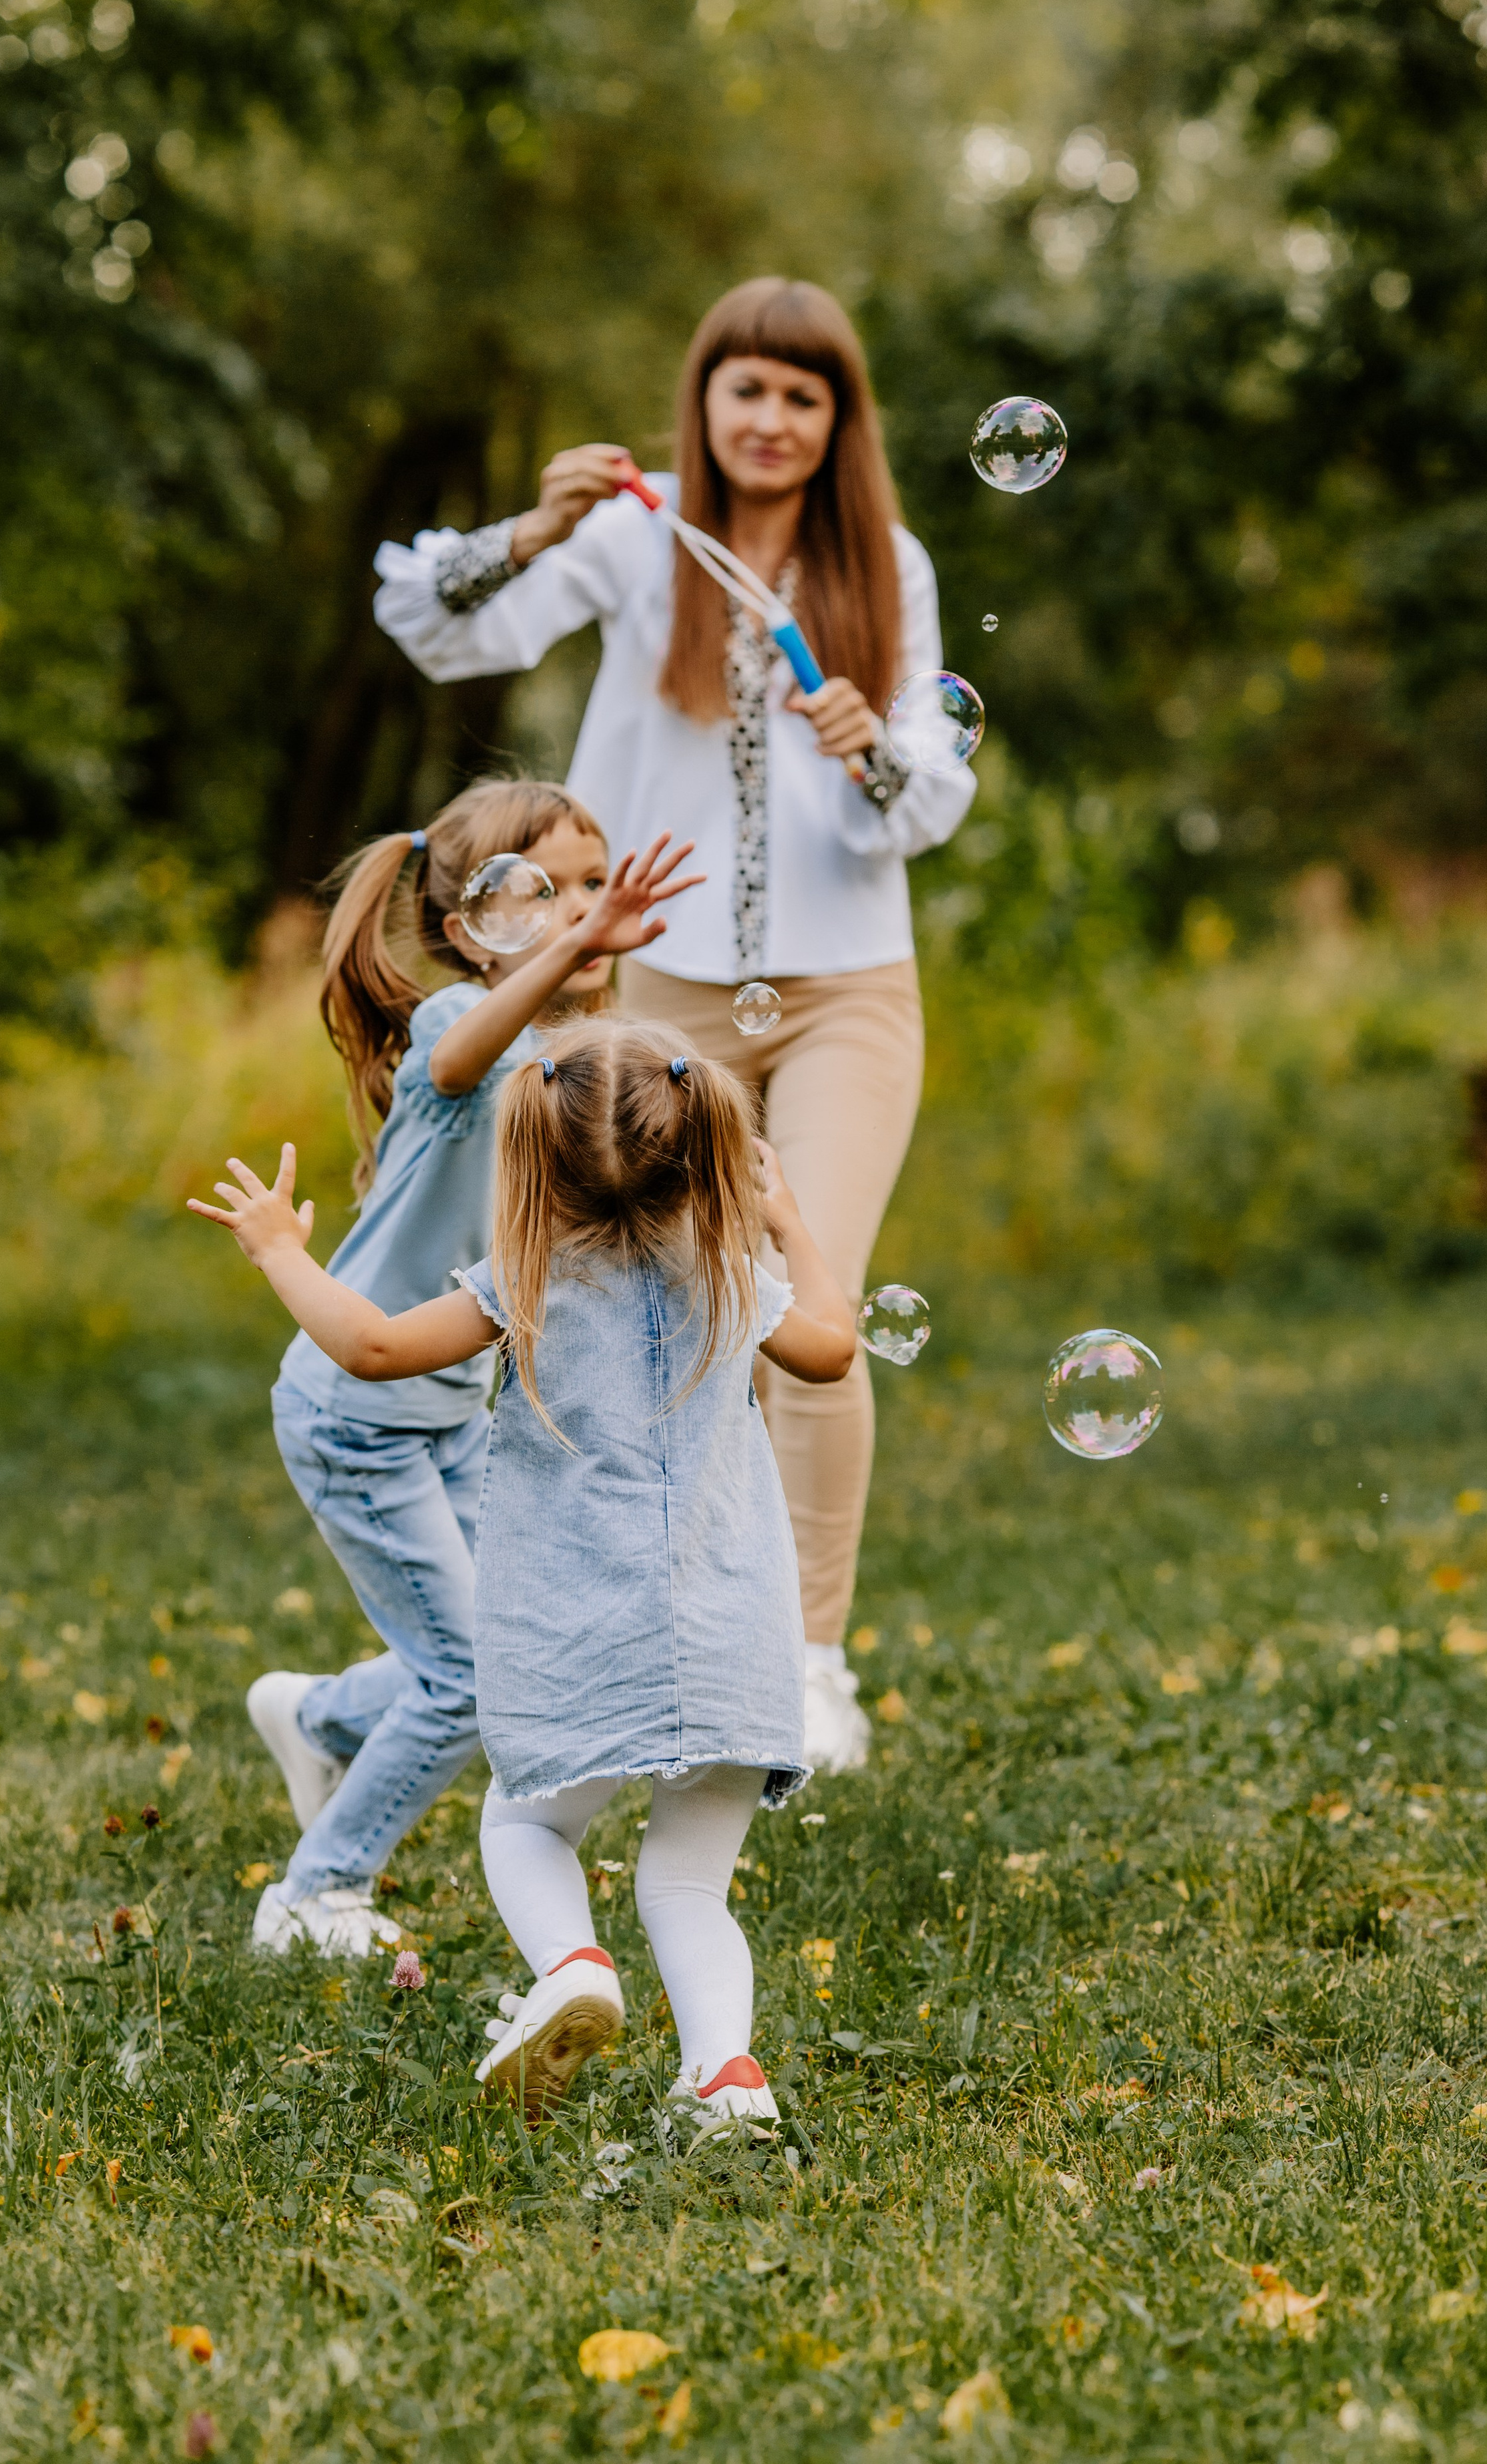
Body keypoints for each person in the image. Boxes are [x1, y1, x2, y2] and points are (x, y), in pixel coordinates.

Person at [371, 276, 976, 1772]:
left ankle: (810, 1656)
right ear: (702, 403)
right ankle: (642, 1629)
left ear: (839, 423)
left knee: (802, 1308)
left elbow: (932, 799)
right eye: (745, 389)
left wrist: (870, 755)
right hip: (648, 996)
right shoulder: (635, 540)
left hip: (847, 990)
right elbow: (428, 628)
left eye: (802, 396)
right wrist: (526, 531)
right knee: (642, 1313)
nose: (770, 421)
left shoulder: (880, 564)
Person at [188, 1016, 858, 2130]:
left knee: (529, 1827)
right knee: (689, 1886)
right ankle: (726, 2078)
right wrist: (788, 1222)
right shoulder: (737, 1277)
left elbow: (371, 1350)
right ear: (706, 1153)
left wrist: (281, 1253)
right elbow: (834, 1350)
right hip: (739, 1643)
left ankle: (571, 1966)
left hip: (583, 1632)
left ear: (531, 1163)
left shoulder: (528, 1282)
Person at [224, 777, 701, 1956]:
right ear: (469, 926)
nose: (586, 911)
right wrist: (576, 949)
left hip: (446, 1407)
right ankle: (315, 1893)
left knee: (498, 1645)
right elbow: (469, 1061)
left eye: (596, 885)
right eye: (548, 894)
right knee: (467, 1679)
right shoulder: (458, 1029)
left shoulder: (582, 1060)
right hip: (356, 1408)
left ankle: (318, 1716)